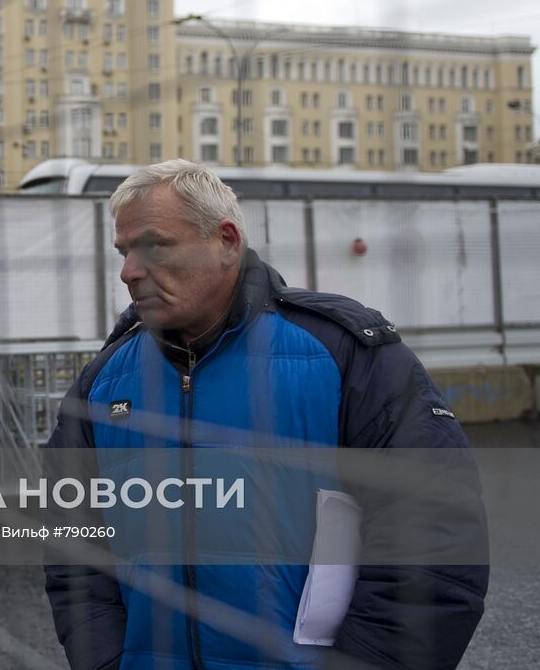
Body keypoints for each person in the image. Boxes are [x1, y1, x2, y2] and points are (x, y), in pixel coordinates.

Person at [44, 159, 488, 669]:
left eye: (153, 246)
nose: (128, 271)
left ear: (227, 241)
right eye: (123, 252)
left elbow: (436, 545)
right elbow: (72, 552)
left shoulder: (345, 357)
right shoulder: (103, 383)